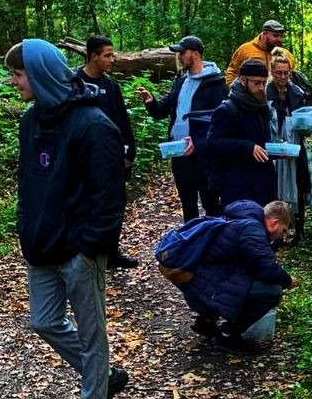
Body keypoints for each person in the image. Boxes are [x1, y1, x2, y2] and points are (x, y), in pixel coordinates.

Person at [5, 39, 129, 399]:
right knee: (43, 321)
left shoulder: (93, 124)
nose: (14, 82)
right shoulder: (31, 120)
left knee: (92, 334)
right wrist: (25, 228)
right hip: (41, 246)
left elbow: (109, 197)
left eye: (19, 74)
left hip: (80, 251)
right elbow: (27, 182)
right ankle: (104, 376)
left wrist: (91, 249)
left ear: (40, 75)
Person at [179, 200, 297, 355]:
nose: (282, 235)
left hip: (199, 278)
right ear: (274, 222)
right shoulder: (253, 230)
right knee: (272, 292)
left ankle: (206, 322)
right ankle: (228, 335)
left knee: (246, 280)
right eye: (283, 230)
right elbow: (267, 269)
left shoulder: (243, 219)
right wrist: (288, 281)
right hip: (206, 284)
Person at [135, 35, 227, 221]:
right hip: (180, 153)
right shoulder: (181, 81)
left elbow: (220, 120)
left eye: (183, 53)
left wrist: (198, 139)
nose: (179, 57)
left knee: (211, 203)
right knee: (188, 203)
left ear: (196, 54)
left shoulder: (215, 83)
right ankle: (191, 238)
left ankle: (214, 237)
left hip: (204, 155)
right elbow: (163, 110)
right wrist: (150, 102)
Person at [75, 34, 138, 269]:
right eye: (107, 55)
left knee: (115, 202)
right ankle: (86, 250)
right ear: (93, 56)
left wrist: (129, 153)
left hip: (112, 157)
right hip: (83, 157)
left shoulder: (111, 86)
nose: (113, 59)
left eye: (113, 55)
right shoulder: (74, 83)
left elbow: (122, 121)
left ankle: (111, 252)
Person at [206, 59, 277, 207]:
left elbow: (261, 141)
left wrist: (277, 150)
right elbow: (213, 143)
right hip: (237, 187)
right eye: (256, 83)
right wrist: (247, 147)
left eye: (264, 83)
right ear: (243, 80)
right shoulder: (227, 110)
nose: (261, 88)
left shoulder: (262, 106)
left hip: (264, 183)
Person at [266, 47, 312, 243]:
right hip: (274, 148)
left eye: (286, 73)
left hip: (296, 146)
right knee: (274, 189)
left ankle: (299, 229)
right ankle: (276, 233)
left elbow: (310, 117)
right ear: (272, 72)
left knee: (299, 184)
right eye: (279, 73)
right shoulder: (265, 94)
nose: (282, 77)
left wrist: (309, 123)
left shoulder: (297, 92)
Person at [224, 19, 296, 85]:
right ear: (264, 34)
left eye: (281, 36)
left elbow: (294, 77)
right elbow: (232, 73)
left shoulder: (286, 54)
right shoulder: (245, 50)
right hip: (249, 94)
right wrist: (235, 90)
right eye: (275, 36)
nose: (279, 39)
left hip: (278, 94)